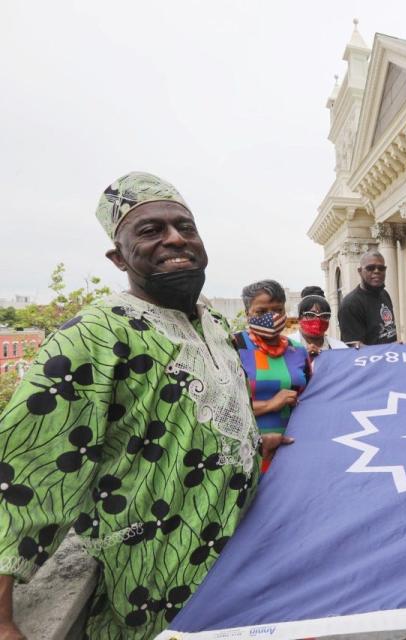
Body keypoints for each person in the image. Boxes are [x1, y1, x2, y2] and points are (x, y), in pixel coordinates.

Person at [0, 172, 261, 639]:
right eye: (150, 230)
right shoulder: (92, 336)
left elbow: (204, 417)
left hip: (246, 574)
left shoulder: (217, 322)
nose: (175, 238)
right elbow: (26, 472)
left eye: (186, 226)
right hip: (158, 593)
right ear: (117, 257)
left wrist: (254, 443)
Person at [233, 280, 309, 471]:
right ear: (247, 312)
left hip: (294, 450)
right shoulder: (233, 347)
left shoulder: (298, 351)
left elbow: (314, 398)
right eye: (261, 312)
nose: (271, 317)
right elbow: (219, 407)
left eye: (277, 310)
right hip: (248, 454)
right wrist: (269, 404)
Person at [337, 250, 397, 346]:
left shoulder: (384, 294)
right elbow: (355, 346)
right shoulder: (350, 304)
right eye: (370, 268)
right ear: (360, 271)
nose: (376, 271)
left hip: (391, 358)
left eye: (381, 268)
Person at [290, 294, 348, 371]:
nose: (318, 319)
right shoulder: (286, 345)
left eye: (324, 316)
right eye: (311, 315)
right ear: (299, 318)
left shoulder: (341, 348)